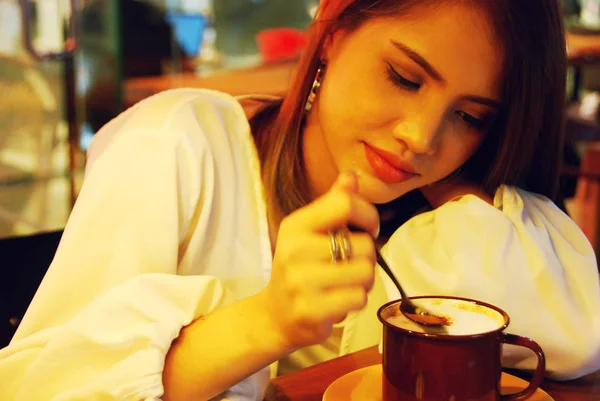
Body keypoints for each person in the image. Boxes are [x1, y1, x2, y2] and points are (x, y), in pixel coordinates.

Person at [2, 0, 600, 400]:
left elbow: (574, 337)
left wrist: (464, 185)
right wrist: (270, 319)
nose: (421, 137)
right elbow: (44, 385)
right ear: (333, 38)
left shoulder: (438, 215)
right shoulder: (177, 146)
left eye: (469, 116)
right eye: (403, 77)